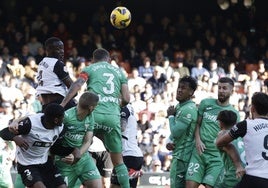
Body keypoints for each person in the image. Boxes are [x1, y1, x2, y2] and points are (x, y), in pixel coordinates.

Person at [60, 48, 131, 188]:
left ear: (93, 59)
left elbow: (77, 85)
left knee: (79, 151)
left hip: (93, 114)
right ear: (109, 60)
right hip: (112, 118)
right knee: (118, 161)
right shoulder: (120, 72)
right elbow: (127, 99)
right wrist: (116, 105)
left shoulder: (90, 68)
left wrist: (63, 104)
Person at [185, 77, 240, 188]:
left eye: (224, 88)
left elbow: (232, 140)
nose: (221, 90)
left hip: (217, 158)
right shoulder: (206, 103)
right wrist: (198, 140)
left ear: (231, 91)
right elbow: (197, 123)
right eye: (219, 87)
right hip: (199, 154)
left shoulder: (234, 114)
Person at [0, 103, 67, 188]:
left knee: (62, 186)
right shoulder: (30, 124)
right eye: (62, 117)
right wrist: (15, 138)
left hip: (44, 161)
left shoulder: (61, 128)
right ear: (56, 120)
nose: (64, 119)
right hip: (26, 163)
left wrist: (73, 151)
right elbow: (3, 132)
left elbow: (56, 148)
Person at [216, 92, 268, 188]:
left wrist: (238, 165)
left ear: (252, 109)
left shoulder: (246, 124)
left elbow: (220, 143)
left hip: (253, 177)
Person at [54, 91, 102, 188]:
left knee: (96, 186)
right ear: (91, 108)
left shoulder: (90, 116)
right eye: (96, 106)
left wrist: (77, 154)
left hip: (83, 159)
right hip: (65, 162)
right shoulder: (66, 117)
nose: (96, 108)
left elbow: (88, 141)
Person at [166, 76, 198, 188]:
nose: (179, 90)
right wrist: (168, 141)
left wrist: (170, 116)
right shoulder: (180, 106)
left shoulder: (188, 109)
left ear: (191, 92)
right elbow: (175, 134)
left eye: (183, 88)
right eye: (179, 87)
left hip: (182, 157)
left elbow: (175, 132)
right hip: (180, 155)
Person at [36, 37, 76, 111]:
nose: (62, 51)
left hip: (45, 106)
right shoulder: (57, 64)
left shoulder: (41, 63)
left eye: (62, 48)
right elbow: (73, 88)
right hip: (59, 103)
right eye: (58, 49)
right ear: (48, 50)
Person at [111, 104, 144, 188]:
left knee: (115, 186)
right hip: (133, 155)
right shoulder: (130, 109)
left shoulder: (124, 108)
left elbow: (122, 127)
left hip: (128, 155)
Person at [214, 110, 246, 188]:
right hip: (248, 172)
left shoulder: (221, 137)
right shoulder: (242, 135)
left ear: (220, 123)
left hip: (235, 173)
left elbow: (230, 148)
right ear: (235, 123)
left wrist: (238, 166)